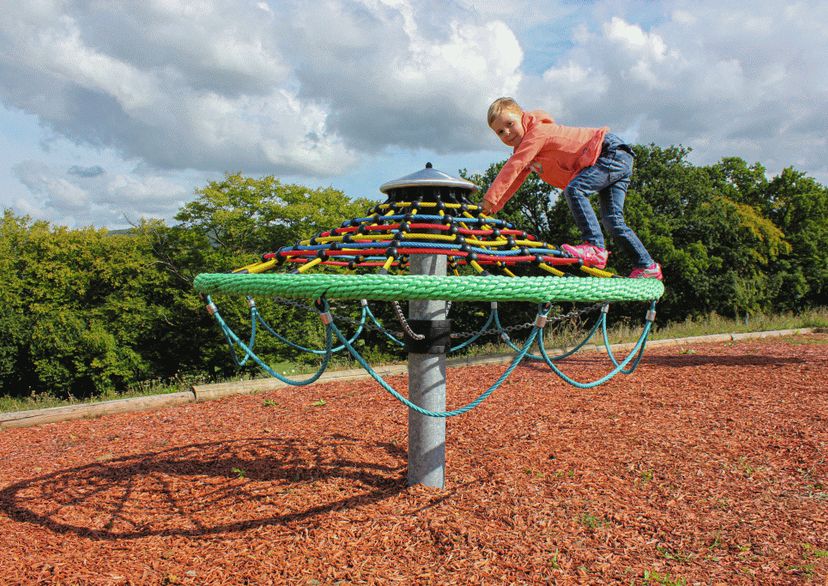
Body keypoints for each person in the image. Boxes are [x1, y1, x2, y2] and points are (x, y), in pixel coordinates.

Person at [481, 97, 662, 279]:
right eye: (500, 132)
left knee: (575, 189)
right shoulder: (527, 149)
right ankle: (647, 265)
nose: (507, 133)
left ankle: (594, 246)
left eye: (510, 124)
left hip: (608, 152)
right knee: (613, 220)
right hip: (615, 159)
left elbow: (515, 165)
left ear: (522, 116)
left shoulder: (537, 133)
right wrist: (494, 207)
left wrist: (488, 200)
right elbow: (515, 179)